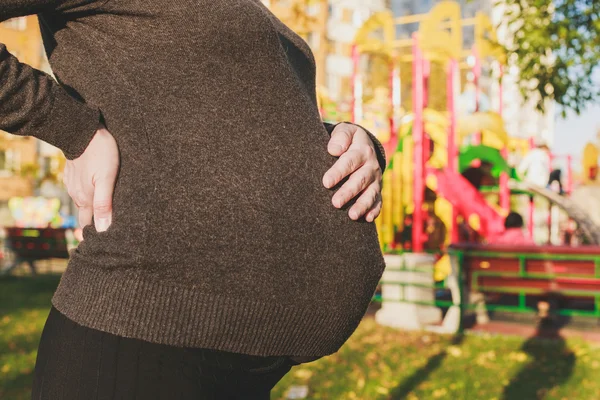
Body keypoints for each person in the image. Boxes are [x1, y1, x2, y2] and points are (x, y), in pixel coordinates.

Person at [0, 2, 388, 398]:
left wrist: (351, 144)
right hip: (144, 335)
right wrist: (71, 129)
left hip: (243, 352)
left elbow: (232, 121)